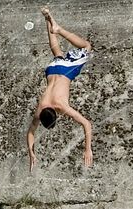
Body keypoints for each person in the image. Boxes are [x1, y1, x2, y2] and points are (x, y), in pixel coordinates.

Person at [27, 7, 93, 171]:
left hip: (65, 71)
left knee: (87, 46)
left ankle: (58, 29)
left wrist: (87, 149)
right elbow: (31, 133)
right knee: (57, 51)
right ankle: (48, 20)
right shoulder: (40, 109)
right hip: (52, 69)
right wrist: (31, 153)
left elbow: (86, 124)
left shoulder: (61, 107)